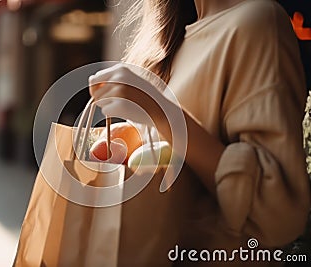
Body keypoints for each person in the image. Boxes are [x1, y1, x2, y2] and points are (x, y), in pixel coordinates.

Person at [89, 0, 311, 265]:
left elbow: (277, 216)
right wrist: (140, 135)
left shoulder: (258, 22)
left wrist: (162, 113)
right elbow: (189, 160)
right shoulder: (171, 37)